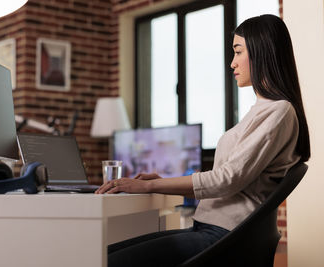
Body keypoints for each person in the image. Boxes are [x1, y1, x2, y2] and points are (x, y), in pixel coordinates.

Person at [95, 14, 310, 267]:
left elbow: (227, 180)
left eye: (238, 52)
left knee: (106, 260)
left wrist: (148, 186)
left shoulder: (279, 111)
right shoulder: (263, 111)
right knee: (101, 254)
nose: (232, 63)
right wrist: (162, 181)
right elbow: (228, 178)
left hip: (223, 236)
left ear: (262, 51)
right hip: (211, 229)